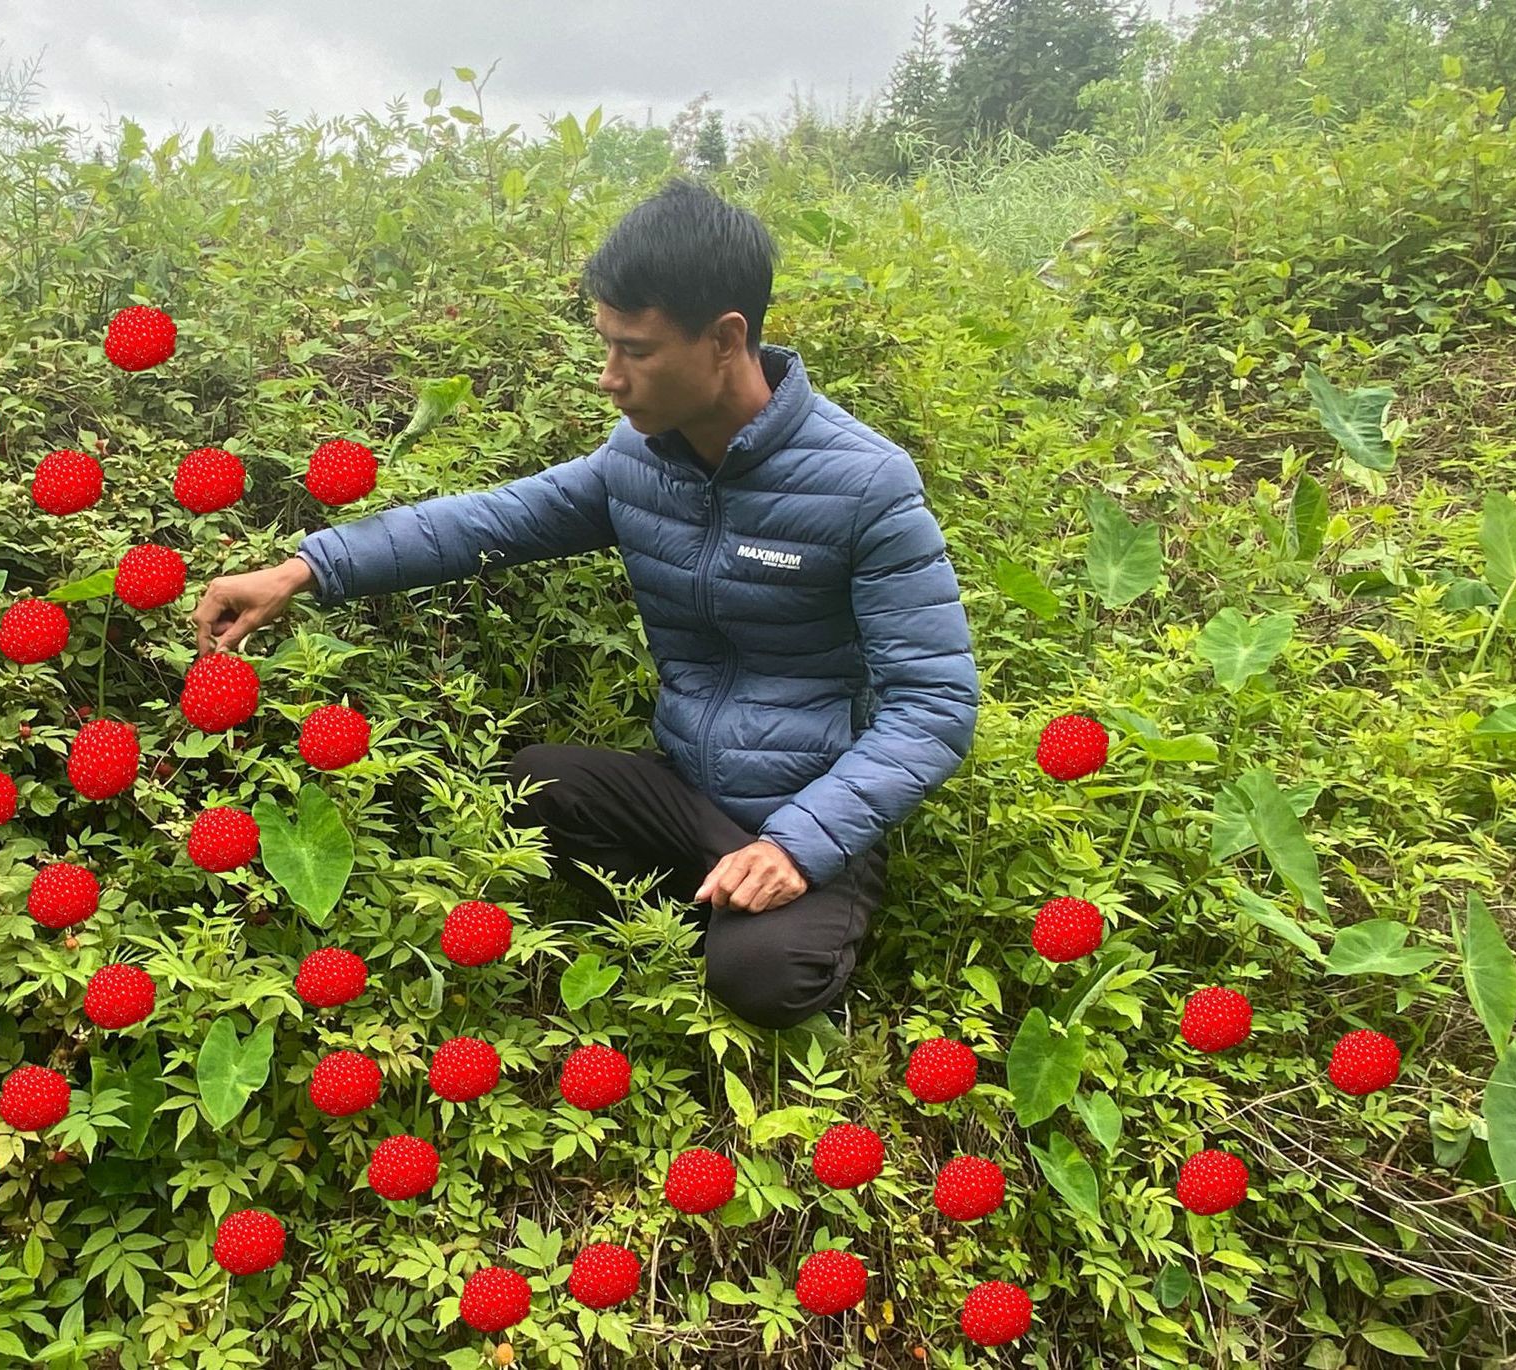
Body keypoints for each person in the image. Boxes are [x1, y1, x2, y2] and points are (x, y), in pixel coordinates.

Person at [192, 177, 980, 1030]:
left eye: (635, 350)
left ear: (726, 339)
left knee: (762, 980)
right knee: (537, 784)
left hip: (811, 805)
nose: (609, 378)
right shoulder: (637, 461)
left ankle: (783, 904)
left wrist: (798, 844)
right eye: (605, 345)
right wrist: (306, 568)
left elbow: (933, 704)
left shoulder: (864, 483)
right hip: (689, 790)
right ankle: (715, 901)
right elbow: (488, 520)